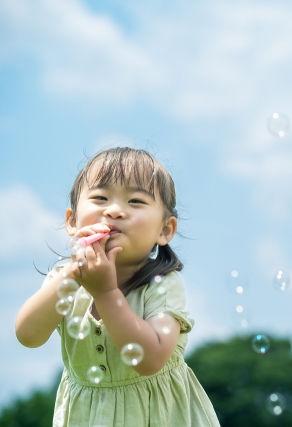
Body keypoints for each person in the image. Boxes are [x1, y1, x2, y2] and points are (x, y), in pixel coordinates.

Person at [15, 147, 220, 427]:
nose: (114, 210)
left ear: (165, 230)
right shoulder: (65, 278)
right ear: (72, 222)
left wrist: (106, 293)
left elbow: (150, 360)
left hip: (157, 416)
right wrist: (73, 275)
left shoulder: (161, 285)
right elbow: (28, 336)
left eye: (135, 201)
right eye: (100, 198)